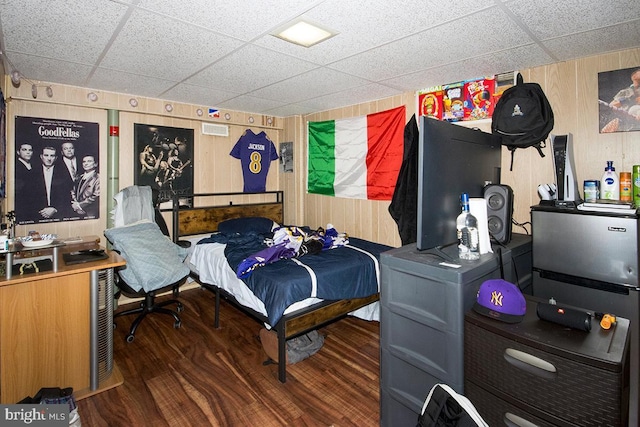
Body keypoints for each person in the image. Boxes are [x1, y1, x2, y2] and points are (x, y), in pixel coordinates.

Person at [33, 146, 73, 220]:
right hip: (37, 216)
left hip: (58, 216)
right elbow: (29, 198)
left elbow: (67, 197)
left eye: (52, 156)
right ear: (41, 156)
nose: (49, 158)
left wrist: (55, 209)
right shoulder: (33, 173)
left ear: (56, 158)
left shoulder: (63, 174)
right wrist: (43, 211)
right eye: (46, 155)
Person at [14, 143, 34, 221]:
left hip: (32, 205)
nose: (28, 152)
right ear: (18, 152)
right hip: (22, 205)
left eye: (30, 150)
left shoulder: (34, 166)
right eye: (24, 150)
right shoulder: (16, 166)